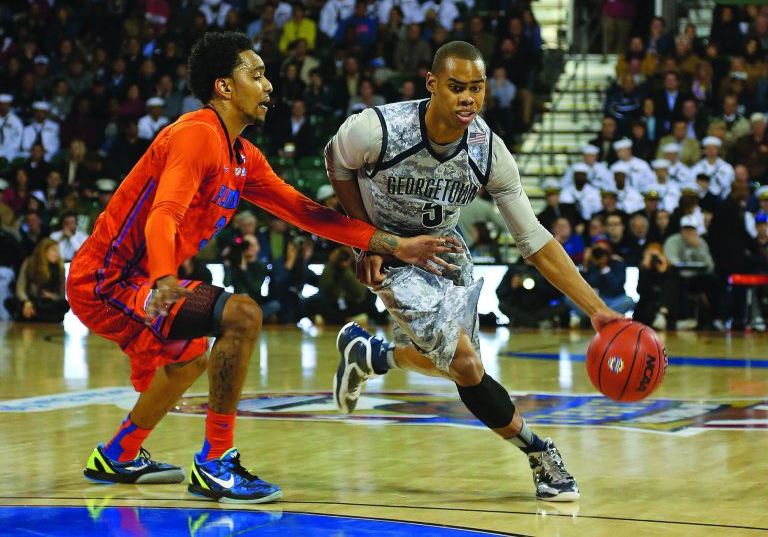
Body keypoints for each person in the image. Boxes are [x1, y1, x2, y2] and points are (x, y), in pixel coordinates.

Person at [66, 32, 456, 504]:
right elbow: (163, 213)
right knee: (242, 315)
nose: (268, 85)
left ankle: (116, 455)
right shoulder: (196, 133)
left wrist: (394, 245)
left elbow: (310, 214)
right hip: (107, 279)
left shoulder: (243, 158)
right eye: (256, 74)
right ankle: (214, 462)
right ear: (225, 87)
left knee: (188, 360)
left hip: (140, 278)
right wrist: (166, 276)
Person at [324, 41, 624, 502]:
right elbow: (336, 160)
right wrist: (367, 240)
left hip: (445, 251)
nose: (468, 98)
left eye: (477, 88)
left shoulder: (489, 152)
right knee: (465, 364)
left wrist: (598, 310)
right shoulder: (379, 128)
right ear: (432, 85)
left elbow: (535, 240)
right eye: (457, 87)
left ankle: (372, 356)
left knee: (462, 365)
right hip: (392, 254)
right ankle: (539, 452)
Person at [8, 238, 70, 322]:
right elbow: (20, 288)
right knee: (10, 302)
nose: (57, 254)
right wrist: (27, 303)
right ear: (43, 250)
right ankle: (37, 315)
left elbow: (61, 295)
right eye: (53, 250)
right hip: (31, 300)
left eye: (58, 251)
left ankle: (33, 316)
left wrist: (51, 296)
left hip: (49, 303)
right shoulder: (29, 263)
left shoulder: (60, 268)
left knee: (64, 304)